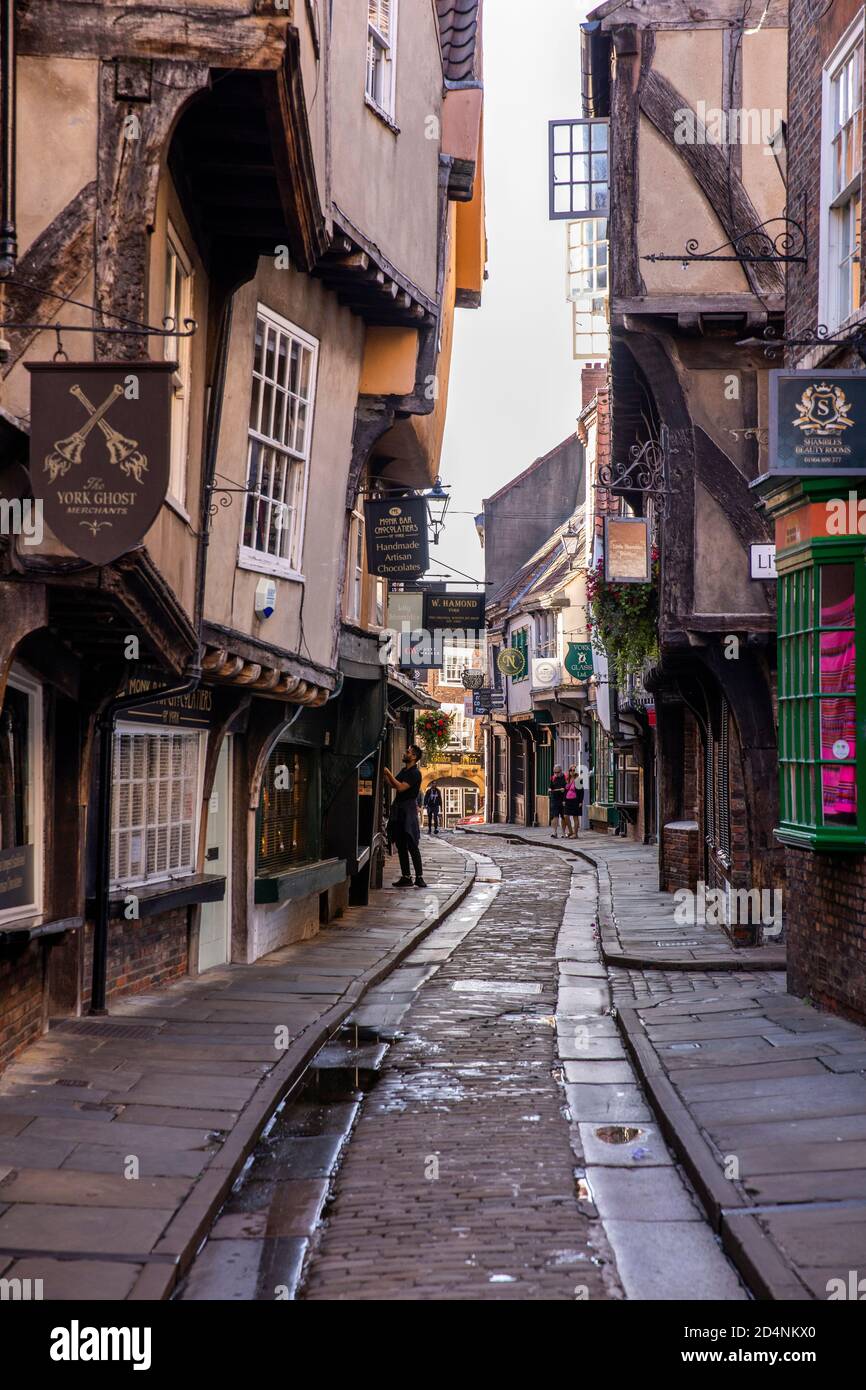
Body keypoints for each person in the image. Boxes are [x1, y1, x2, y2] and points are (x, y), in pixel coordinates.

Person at [384, 744, 427, 888]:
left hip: (408, 811)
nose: (405, 753)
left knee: (412, 844)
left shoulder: (415, 773)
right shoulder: (404, 770)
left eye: (408, 752)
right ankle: (406, 877)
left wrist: (388, 773)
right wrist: (385, 775)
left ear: (414, 756)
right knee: (401, 845)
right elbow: (393, 784)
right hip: (399, 811)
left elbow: (401, 788)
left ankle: (419, 877)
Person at [564, 764, 584, 838]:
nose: (572, 772)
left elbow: (581, 792)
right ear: (569, 771)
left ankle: (575, 834)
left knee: (575, 817)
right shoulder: (568, 780)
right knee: (566, 816)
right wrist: (564, 800)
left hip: (575, 800)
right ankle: (570, 832)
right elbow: (565, 791)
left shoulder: (578, 780)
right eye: (570, 770)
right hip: (568, 800)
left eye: (573, 770)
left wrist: (580, 802)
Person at [548, 763, 566, 838]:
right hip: (554, 799)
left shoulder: (565, 778)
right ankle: (555, 832)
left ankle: (563, 833)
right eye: (555, 772)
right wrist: (549, 789)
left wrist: (564, 789)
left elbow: (568, 788)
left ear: (561, 771)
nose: (556, 774)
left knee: (563, 816)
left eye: (557, 772)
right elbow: (550, 787)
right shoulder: (552, 778)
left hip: (563, 799)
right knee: (555, 816)